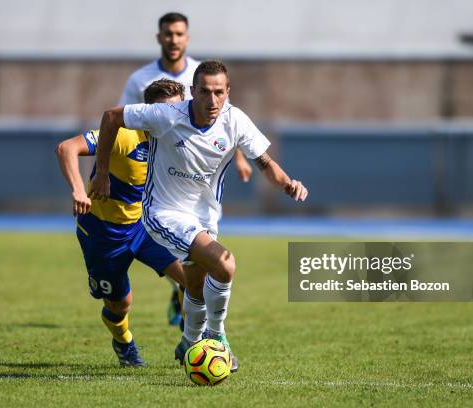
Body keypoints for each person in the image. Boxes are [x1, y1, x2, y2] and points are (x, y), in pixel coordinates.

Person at [89, 60, 308, 372]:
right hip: (163, 213)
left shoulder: (235, 121)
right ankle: (216, 338)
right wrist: (102, 173)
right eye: (205, 91)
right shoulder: (167, 115)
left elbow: (265, 162)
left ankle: (189, 342)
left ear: (227, 92)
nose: (212, 99)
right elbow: (111, 117)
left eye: (219, 92)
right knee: (225, 264)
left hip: (205, 217)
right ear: (193, 92)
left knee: (195, 284)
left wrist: (287, 183)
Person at [119, 12, 253, 327]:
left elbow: (227, 122)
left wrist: (245, 157)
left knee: (196, 264)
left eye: (179, 34)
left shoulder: (200, 73)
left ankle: (190, 322)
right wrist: (105, 168)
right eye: (168, 33)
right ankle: (203, 324)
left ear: (187, 38)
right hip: (156, 178)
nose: (174, 39)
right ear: (160, 37)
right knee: (191, 255)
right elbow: (123, 121)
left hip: (195, 184)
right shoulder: (139, 79)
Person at [55, 79, 187, 367]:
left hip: (146, 227)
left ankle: (193, 342)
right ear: (146, 111)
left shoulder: (179, 141)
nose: (169, 118)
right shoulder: (125, 135)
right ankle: (124, 342)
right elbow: (66, 148)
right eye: (162, 111)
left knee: (193, 280)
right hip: (104, 232)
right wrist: (79, 189)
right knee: (119, 304)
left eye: (176, 110)